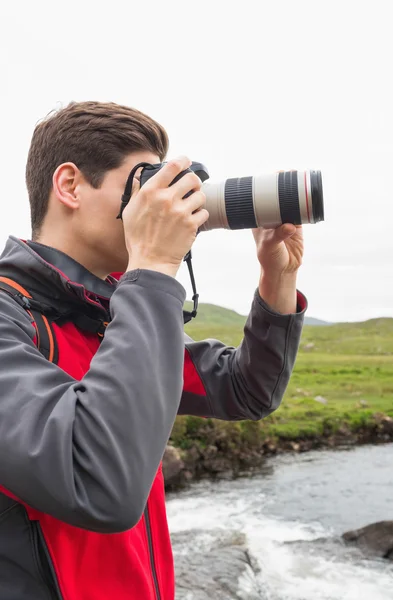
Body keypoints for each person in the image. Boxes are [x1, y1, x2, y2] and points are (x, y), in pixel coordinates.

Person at [0, 101, 307, 600]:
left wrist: (278, 277)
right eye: (144, 183)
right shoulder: (13, 319)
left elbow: (246, 390)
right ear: (70, 185)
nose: (159, 204)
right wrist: (154, 265)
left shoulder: (108, 315)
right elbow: (98, 483)